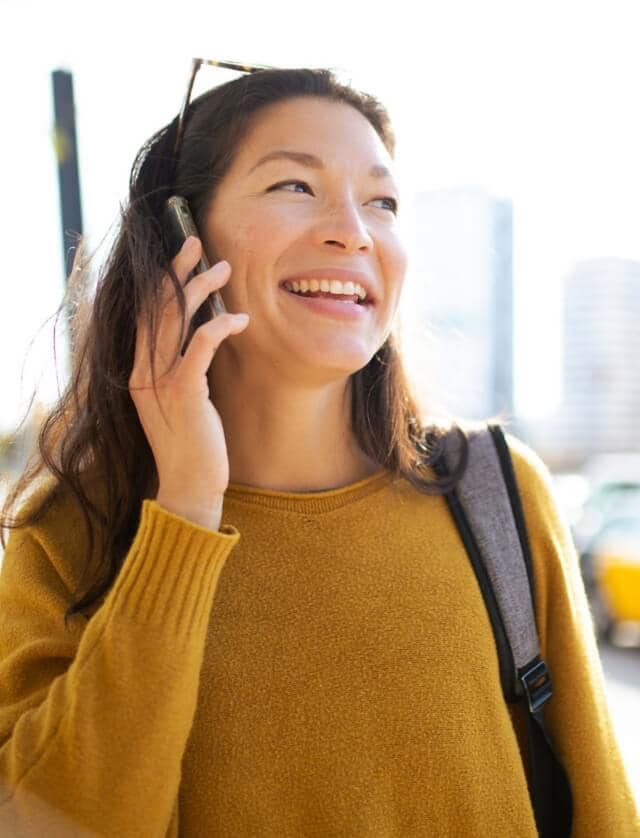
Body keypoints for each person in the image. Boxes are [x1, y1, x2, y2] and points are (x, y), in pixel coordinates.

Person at [0, 61, 638, 837]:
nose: (354, 229)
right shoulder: (72, 533)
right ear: (182, 239)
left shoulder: (499, 497)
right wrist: (186, 514)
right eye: (295, 187)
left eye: (383, 201)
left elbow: (606, 815)